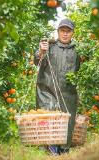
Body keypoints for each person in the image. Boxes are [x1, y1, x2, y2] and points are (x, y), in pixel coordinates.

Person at [34, 18, 81, 155]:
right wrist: (41, 51)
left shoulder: (78, 51)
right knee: (50, 118)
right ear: (58, 31)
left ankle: (64, 151)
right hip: (48, 90)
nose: (65, 34)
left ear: (72, 33)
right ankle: (51, 150)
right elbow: (37, 60)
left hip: (68, 92)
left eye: (68, 31)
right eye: (62, 30)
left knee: (67, 120)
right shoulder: (50, 46)